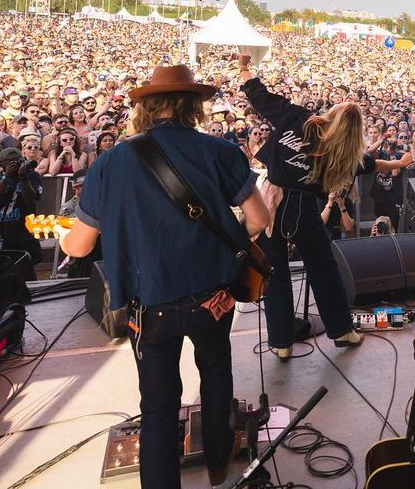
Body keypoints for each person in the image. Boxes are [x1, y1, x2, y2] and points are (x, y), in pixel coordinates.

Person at [57, 64, 271, 489]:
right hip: (213, 298)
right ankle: (218, 467)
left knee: (158, 408)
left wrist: (64, 237)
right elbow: (259, 220)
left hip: (149, 304)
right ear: (194, 106)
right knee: (215, 373)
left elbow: (78, 248)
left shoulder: (111, 162)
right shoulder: (222, 152)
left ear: (147, 106)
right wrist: (223, 241)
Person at [237, 54, 413, 360]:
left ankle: (281, 343)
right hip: (304, 207)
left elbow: (261, 97)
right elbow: (369, 164)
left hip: (271, 201)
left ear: (330, 114)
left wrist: (243, 68)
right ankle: (342, 331)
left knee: (274, 272)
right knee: (324, 270)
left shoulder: (299, 117)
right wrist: (399, 162)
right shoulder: (343, 152)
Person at [0, 147, 44, 265]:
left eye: (17, 161)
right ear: (1, 164)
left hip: (24, 234)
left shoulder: (32, 176)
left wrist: (23, 178)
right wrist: (6, 178)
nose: (15, 165)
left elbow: (30, 198)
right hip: (0, 233)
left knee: (26, 268)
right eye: (10, 162)